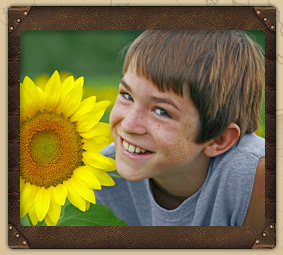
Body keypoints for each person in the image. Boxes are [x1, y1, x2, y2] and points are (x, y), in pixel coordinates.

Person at [96, 30, 265, 226]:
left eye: (161, 111)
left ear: (218, 139)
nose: (128, 124)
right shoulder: (99, 177)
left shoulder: (256, 181)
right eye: (127, 96)